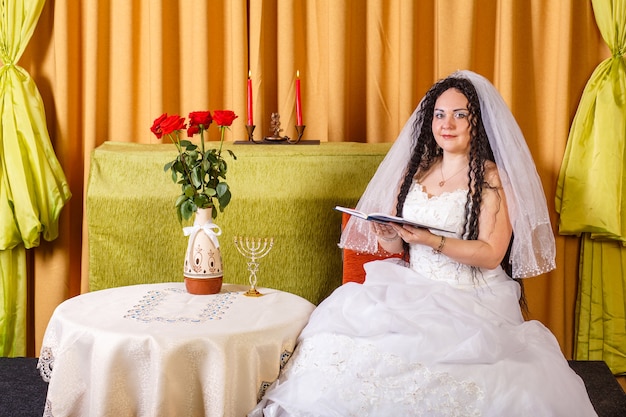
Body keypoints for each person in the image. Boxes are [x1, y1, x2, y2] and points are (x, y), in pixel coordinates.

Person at [248, 70, 597, 416]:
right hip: (410, 286)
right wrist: (387, 236)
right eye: (440, 114)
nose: (448, 124)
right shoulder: (417, 171)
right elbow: (399, 249)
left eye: (460, 115)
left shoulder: (492, 178)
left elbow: (491, 254)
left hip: (469, 299)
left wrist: (432, 240)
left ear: (478, 122)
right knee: (331, 346)